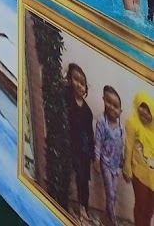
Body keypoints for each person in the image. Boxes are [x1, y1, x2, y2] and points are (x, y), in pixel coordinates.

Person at [66, 62, 95, 225]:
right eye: (75, 79)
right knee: (70, 177)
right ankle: (68, 204)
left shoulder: (87, 111)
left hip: (82, 151)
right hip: (69, 146)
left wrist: (92, 155)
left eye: (82, 83)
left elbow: (89, 134)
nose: (79, 84)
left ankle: (84, 208)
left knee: (83, 180)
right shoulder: (66, 98)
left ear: (86, 89)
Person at [95, 85, 125, 226]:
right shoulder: (102, 122)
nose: (112, 108)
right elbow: (98, 142)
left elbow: (120, 145)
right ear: (103, 100)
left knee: (114, 194)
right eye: (109, 102)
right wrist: (96, 160)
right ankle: (113, 222)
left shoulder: (120, 128)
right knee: (110, 194)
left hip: (115, 166)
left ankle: (106, 218)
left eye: (116, 106)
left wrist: (122, 160)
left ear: (120, 111)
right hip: (105, 163)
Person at [123, 92, 154, 226]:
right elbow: (128, 147)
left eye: (148, 110)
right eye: (142, 107)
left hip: (153, 177)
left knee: (149, 210)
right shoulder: (132, 122)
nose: (145, 112)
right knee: (141, 207)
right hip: (139, 174)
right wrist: (127, 170)